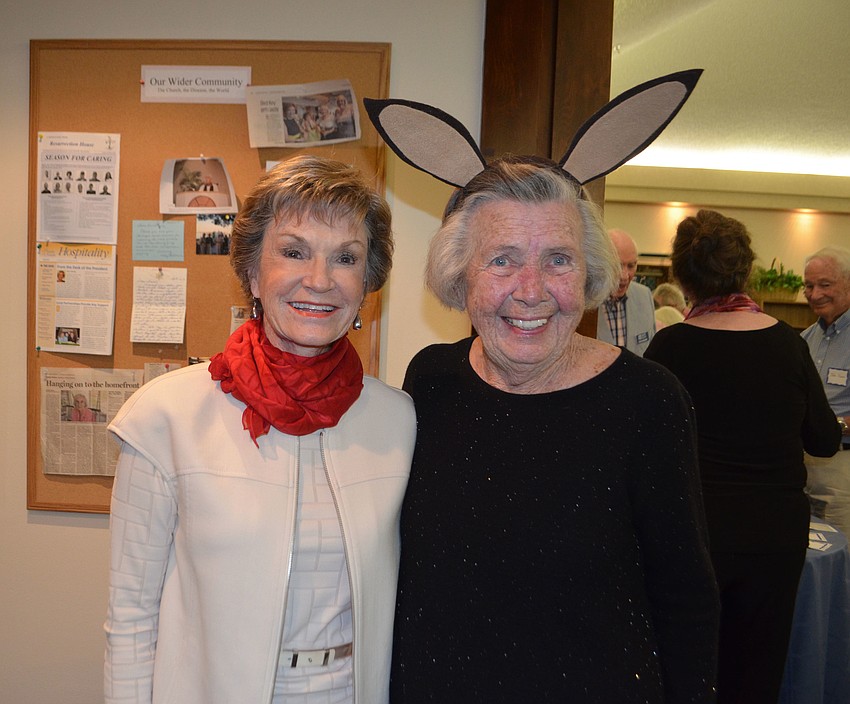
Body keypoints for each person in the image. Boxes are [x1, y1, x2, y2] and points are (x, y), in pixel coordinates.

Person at [394, 158, 719, 702]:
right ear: (460, 275)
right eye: (502, 260)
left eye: (558, 260)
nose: (531, 290)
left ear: (589, 272)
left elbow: (686, 600)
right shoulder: (431, 381)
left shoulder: (648, 402)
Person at [104, 155, 416, 704]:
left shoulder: (398, 422)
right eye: (293, 252)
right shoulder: (166, 418)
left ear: (366, 284)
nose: (319, 280)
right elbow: (130, 619)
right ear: (252, 272)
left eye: (346, 258)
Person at [645, 209, 840, 704]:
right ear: (745, 270)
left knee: (688, 665)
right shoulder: (788, 345)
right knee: (757, 672)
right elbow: (823, 440)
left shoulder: (669, 347)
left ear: (683, 276)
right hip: (773, 535)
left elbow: (642, 450)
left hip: (694, 530)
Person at [801, 246, 850, 537]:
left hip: (842, 469)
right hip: (803, 467)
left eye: (825, 285)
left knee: (843, 562)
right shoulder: (806, 338)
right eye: (809, 285)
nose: (815, 293)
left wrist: (836, 426)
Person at [596, 228, 656, 355]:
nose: (624, 276)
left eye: (631, 266)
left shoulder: (644, 296)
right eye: (617, 266)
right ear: (601, 262)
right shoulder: (584, 300)